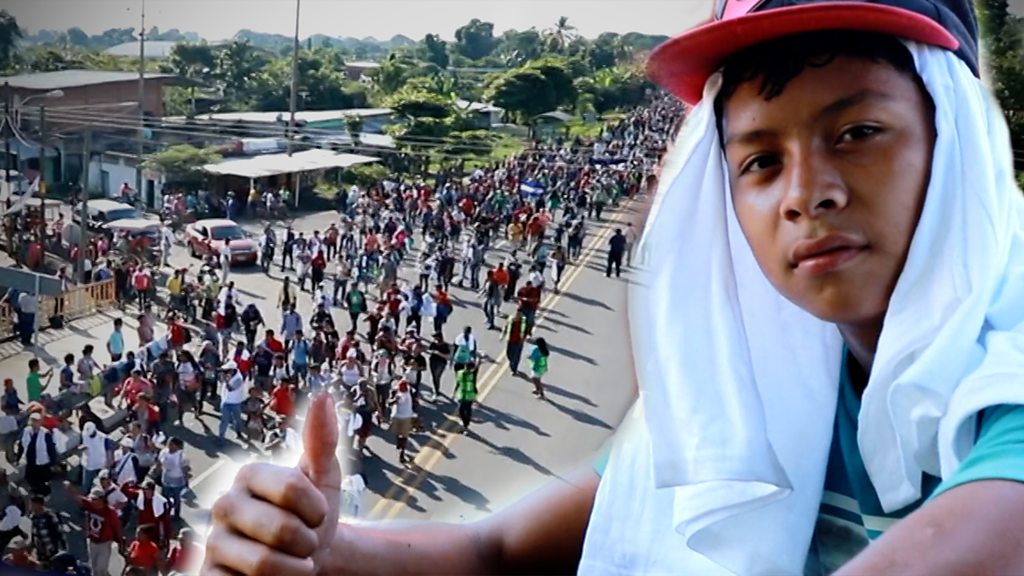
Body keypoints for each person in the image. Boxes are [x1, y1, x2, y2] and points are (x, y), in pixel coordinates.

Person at [205, 1, 1024, 574]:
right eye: (761, 160)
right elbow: (499, 553)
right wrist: (322, 549)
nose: (809, 193)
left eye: (858, 132)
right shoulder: (744, 386)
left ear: (958, 148)